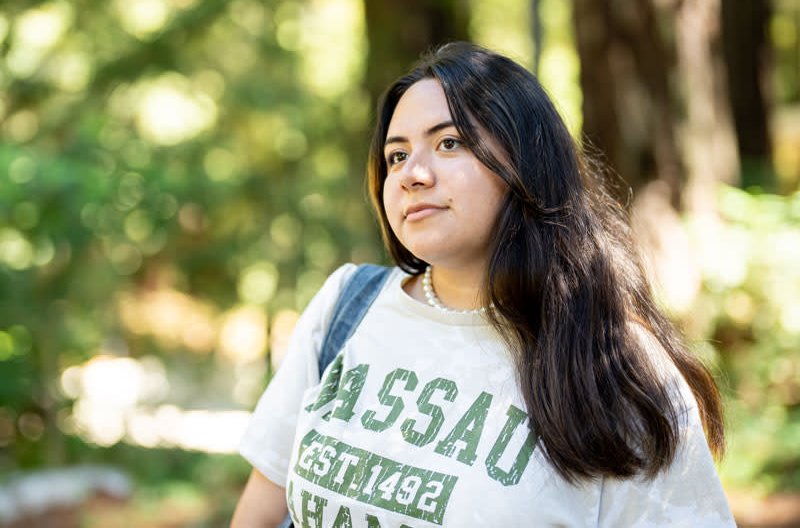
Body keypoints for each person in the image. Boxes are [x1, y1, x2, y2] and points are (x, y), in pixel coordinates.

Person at [231, 42, 735, 527]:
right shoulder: (347, 307)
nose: (412, 174)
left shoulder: (612, 357)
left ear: (524, 164)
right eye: (396, 156)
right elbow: (261, 508)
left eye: (448, 143)